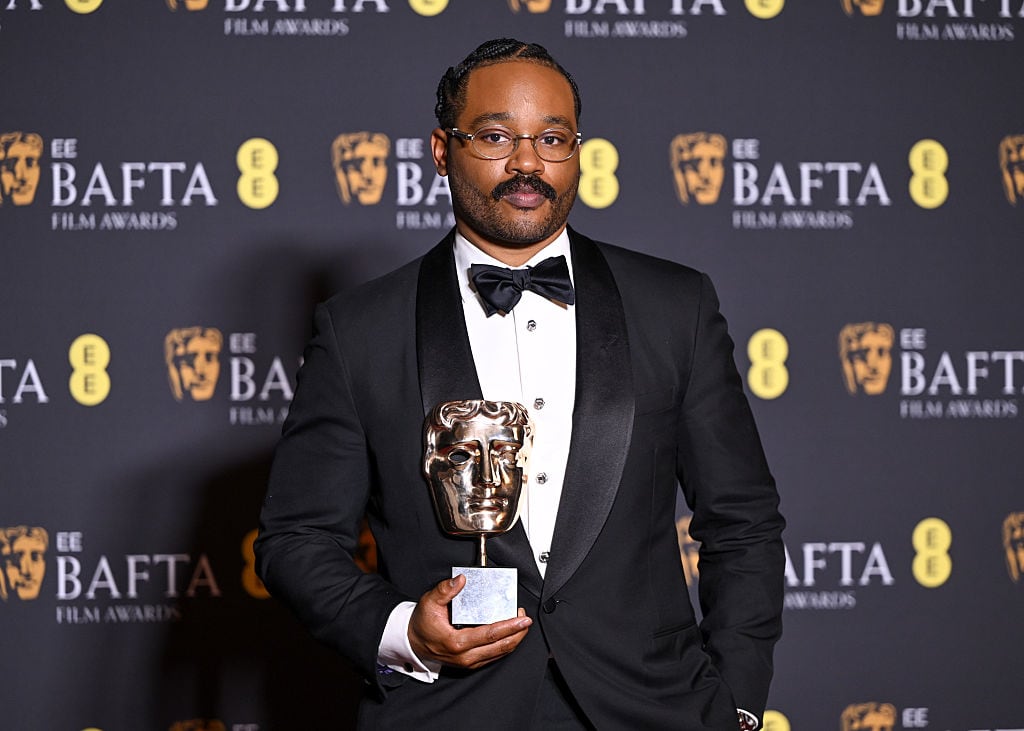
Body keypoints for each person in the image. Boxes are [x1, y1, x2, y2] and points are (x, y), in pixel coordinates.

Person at [256, 38, 784, 730]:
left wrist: (737, 705)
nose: (528, 162)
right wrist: (403, 630)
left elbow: (742, 520)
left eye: (552, 139)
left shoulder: (673, 306)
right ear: (442, 151)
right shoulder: (360, 330)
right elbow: (296, 539)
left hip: (653, 708)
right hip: (449, 712)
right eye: (497, 136)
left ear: (578, 152)